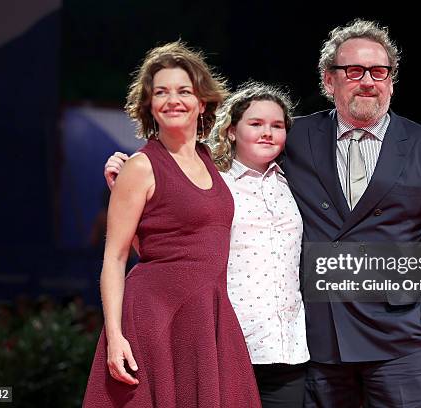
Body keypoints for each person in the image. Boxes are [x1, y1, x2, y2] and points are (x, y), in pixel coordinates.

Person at [282, 19, 421, 407]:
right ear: (328, 80)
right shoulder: (292, 138)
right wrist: (140, 174)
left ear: (391, 80)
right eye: (354, 71)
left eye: (379, 71)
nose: (368, 80)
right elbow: (224, 165)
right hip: (317, 339)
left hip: (400, 341)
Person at [106, 82, 310, 408]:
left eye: (277, 126)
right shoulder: (209, 180)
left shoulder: (295, 182)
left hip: (288, 351)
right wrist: (125, 194)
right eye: (256, 124)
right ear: (230, 131)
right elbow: (163, 253)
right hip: (224, 342)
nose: (268, 133)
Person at [83, 41, 261, 407]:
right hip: (156, 318)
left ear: (202, 101)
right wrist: (115, 337)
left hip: (207, 315)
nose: (172, 100)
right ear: (149, 104)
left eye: (183, 91)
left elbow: (168, 243)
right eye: (160, 92)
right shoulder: (141, 166)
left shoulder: (207, 157)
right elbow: (115, 260)